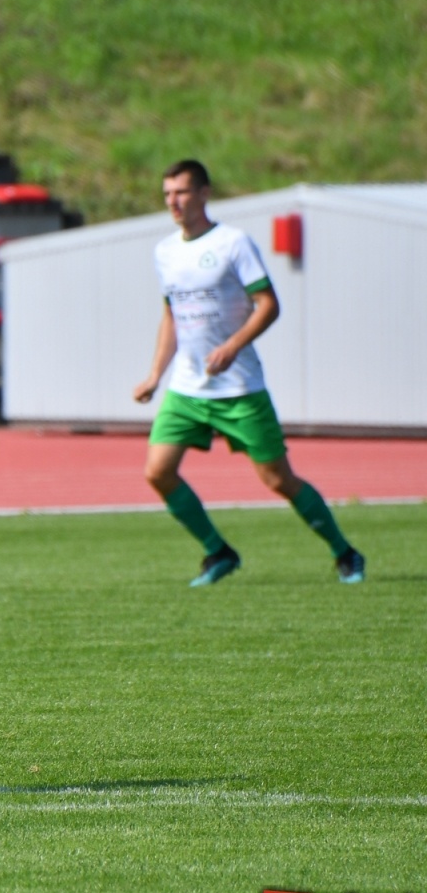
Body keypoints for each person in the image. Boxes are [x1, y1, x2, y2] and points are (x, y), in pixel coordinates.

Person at [133, 159, 364, 587]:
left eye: (181, 192)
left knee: (278, 479)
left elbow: (269, 304)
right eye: (167, 194)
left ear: (204, 193)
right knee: (157, 471)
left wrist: (231, 346)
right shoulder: (164, 251)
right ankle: (218, 552)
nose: (173, 202)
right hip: (187, 388)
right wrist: (154, 375)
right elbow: (172, 316)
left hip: (239, 387)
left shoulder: (233, 243)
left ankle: (345, 553)